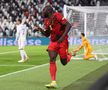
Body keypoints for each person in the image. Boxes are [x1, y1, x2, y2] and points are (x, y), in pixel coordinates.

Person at [34, 5, 73, 88]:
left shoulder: (57, 15)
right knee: (52, 59)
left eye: (44, 10)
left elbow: (69, 25)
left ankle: (69, 56)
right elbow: (47, 34)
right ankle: (53, 82)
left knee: (64, 62)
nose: (43, 12)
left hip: (63, 41)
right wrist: (40, 29)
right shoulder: (46, 21)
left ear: (49, 11)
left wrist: (62, 38)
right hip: (53, 42)